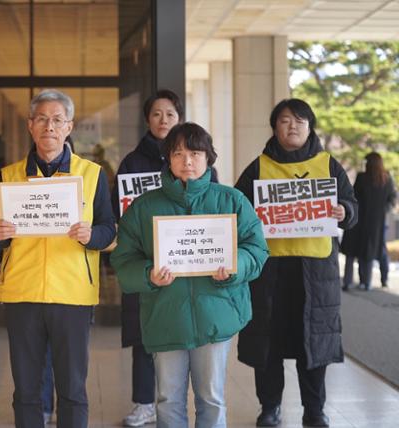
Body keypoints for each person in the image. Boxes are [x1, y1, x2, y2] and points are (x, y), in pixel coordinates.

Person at [111, 122, 269, 428]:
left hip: (216, 315)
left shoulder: (231, 200)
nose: (187, 161)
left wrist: (235, 265)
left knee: (212, 399)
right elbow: (123, 260)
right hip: (165, 316)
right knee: (168, 400)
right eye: (178, 153)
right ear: (167, 158)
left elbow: (257, 249)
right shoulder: (144, 207)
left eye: (196, 153)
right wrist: (148, 275)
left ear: (208, 158)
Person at [0, 89, 116, 428]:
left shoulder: (92, 174)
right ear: (30, 125)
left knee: (72, 389)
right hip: (22, 294)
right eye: (42, 119)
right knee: (26, 390)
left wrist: (92, 237)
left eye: (57, 120)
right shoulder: (9, 175)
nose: (49, 126)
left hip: (71, 295)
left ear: (69, 126)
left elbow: (109, 231)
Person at [234, 98, 358, 427]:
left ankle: (314, 411)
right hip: (270, 274)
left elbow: (351, 204)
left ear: (310, 126)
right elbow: (237, 207)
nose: (293, 126)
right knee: (268, 345)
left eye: (300, 120)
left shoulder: (328, 164)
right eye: (286, 120)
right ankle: (270, 408)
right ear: (274, 127)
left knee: (313, 345)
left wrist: (344, 211)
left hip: (315, 275)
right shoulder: (259, 166)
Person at [110, 89, 183, 427]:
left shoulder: (191, 157)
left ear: (178, 118)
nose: (163, 120)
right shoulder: (132, 163)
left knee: (181, 336)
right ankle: (143, 403)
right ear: (147, 120)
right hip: (145, 261)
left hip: (185, 261)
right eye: (157, 114)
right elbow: (117, 212)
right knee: (143, 337)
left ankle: (176, 403)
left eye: (169, 114)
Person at [341, 152, 396, 290]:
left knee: (352, 251)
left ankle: (348, 282)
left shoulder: (361, 177)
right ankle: (366, 282)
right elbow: (392, 199)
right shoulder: (386, 179)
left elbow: (353, 197)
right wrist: (384, 210)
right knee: (368, 252)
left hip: (358, 219)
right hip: (376, 222)